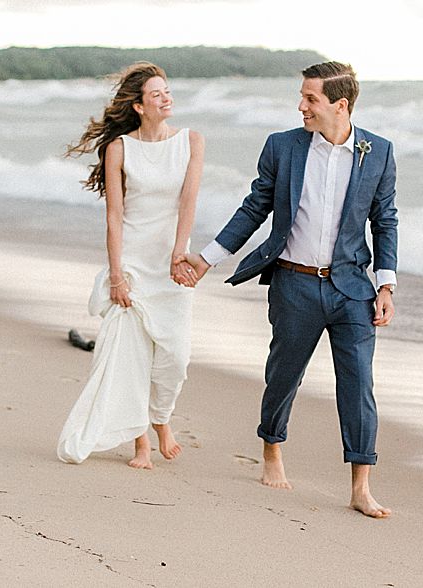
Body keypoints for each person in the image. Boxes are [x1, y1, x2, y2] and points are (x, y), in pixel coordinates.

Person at [181, 61, 397, 518]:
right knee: (284, 375)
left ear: (340, 105)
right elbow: (254, 208)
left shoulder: (376, 151)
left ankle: (360, 486)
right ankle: (272, 448)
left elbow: (385, 220)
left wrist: (386, 284)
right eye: (301, 97)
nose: (301, 106)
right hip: (294, 284)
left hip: (351, 288)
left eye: (310, 99)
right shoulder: (284, 147)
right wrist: (206, 258)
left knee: (358, 386)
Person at [57, 62, 205, 469]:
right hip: (134, 264)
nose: (166, 98)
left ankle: (161, 419)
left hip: (171, 263)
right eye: (156, 94)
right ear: (139, 106)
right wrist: (116, 275)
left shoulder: (191, 141)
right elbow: (114, 218)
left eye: (167, 91)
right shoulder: (120, 148)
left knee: (176, 355)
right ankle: (142, 443)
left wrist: (180, 253)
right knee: (131, 355)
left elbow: (188, 203)